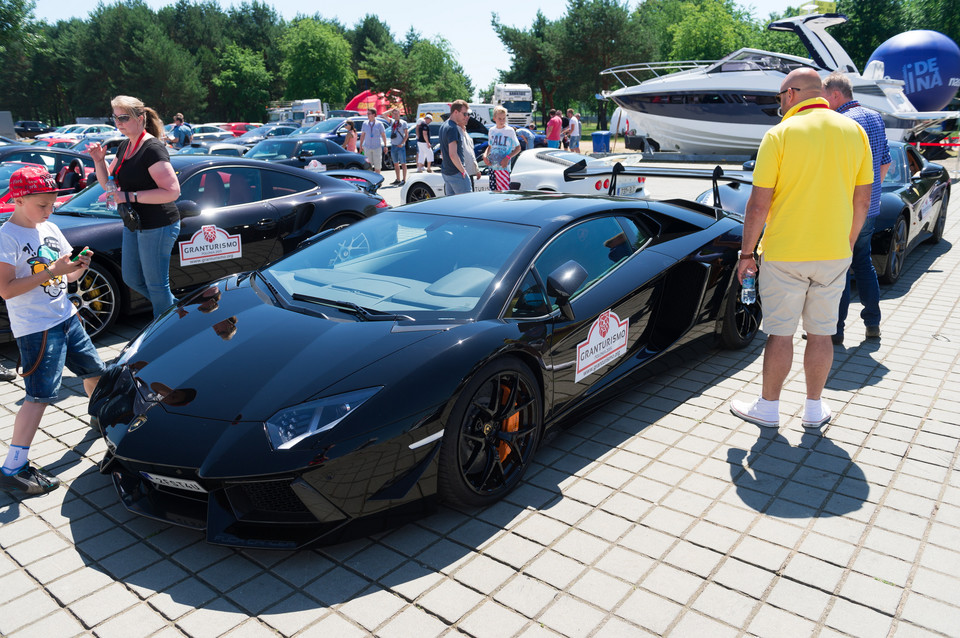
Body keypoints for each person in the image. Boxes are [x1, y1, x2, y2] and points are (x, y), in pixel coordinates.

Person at [729, 68, 873, 431]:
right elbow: (863, 199)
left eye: (780, 97)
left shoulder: (779, 135)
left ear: (792, 94)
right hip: (834, 252)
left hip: (785, 253)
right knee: (822, 334)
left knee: (781, 334)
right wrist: (849, 242)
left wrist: (746, 255)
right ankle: (813, 409)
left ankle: (769, 408)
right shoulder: (854, 131)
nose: (779, 104)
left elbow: (758, 205)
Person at [0, 165, 105, 495]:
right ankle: (13, 466)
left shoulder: (50, 228)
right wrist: (53, 272)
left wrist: (76, 269)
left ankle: (101, 419)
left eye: (52, 203)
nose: (50, 209)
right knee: (40, 396)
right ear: (18, 200)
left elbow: (66, 275)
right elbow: (6, 289)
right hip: (37, 329)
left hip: (66, 317)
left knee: (96, 370)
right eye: (42, 205)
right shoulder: (7, 237)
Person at [88, 95, 182, 318]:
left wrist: (129, 196)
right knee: (131, 278)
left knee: (157, 285)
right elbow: (108, 185)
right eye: (115, 118)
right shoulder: (124, 146)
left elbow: (172, 191)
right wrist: (98, 161)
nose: (118, 123)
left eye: (123, 117)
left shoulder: (152, 148)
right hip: (135, 222)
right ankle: (180, 309)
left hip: (159, 224)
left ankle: (163, 335)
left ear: (140, 118)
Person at [824, 71, 891, 345]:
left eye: (824, 96)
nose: (822, 102)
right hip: (870, 208)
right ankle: (872, 323)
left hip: (843, 210)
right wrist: (871, 193)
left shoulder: (840, 122)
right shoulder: (875, 116)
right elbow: (886, 162)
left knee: (838, 268)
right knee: (863, 263)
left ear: (836, 95)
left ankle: (834, 330)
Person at [483, 106, 520, 191]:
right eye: (499, 118)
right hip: (492, 167)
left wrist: (508, 158)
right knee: (493, 193)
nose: (502, 121)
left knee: (504, 194)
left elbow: (518, 148)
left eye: (504, 118)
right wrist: (485, 156)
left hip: (503, 168)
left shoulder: (510, 131)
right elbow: (490, 146)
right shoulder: (491, 130)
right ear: (494, 118)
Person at [439, 100, 472, 196]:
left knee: (453, 207)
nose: (466, 116)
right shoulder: (452, 128)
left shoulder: (444, 126)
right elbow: (453, 154)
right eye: (464, 114)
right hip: (456, 173)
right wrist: (463, 171)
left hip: (447, 172)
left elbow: (443, 153)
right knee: (467, 206)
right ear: (456, 112)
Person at [358, 108, 387, 175]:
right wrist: (361, 145)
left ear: (373, 114)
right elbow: (362, 135)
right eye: (367, 114)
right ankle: (370, 181)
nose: (367, 115)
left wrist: (385, 146)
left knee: (377, 165)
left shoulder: (379, 124)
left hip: (377, 147)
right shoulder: (365, 123)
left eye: (369, 114)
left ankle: (378, 180)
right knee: (368, 166)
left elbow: (383, 135)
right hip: (367, 147)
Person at [387, 108, 408, 186]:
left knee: (403, 163)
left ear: (399, 114)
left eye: (397, 113)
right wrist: (391, 110)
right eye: (394, 114)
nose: (395, 115)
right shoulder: (392, 122)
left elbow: (406, 135)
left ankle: (404, 179)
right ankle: (398, 179)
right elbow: (383, 115)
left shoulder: (403, 123)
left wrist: (402, 143)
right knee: (395, 163)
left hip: (400, 146)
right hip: (393, 145)